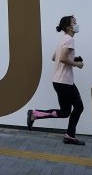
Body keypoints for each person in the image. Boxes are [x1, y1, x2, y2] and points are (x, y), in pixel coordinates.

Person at [26, 15, 85, 145]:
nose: (76, 24)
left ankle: (35, 114)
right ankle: (70, 135)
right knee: (79, 107)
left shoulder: (62, 39)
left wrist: (72, 59)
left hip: (59, 81)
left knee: (65, 112)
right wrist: (77, 64)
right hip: (65, 82)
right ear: (68, 26)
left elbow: (55, 57)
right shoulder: (69, 40)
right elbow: (62, 59)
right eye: (74, 22)